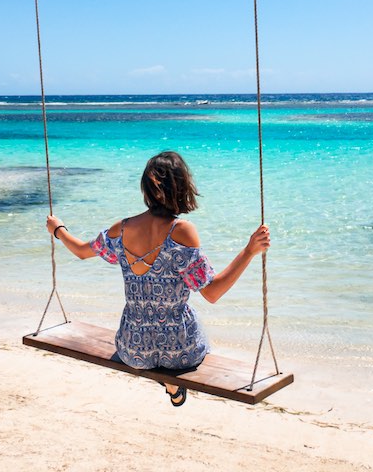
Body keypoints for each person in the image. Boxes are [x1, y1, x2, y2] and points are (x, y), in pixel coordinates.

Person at [45, 150, 271, 407]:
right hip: (180, 352)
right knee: (195, 325)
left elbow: (82, 251)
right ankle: (171, 381)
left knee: (155, 335)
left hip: (133, 349)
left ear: (147, 189)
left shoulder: (122, 229)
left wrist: (58, 230)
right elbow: (212, 292)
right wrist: (249, 251)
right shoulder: (182, 232)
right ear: (182, 187)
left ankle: (170, 384)